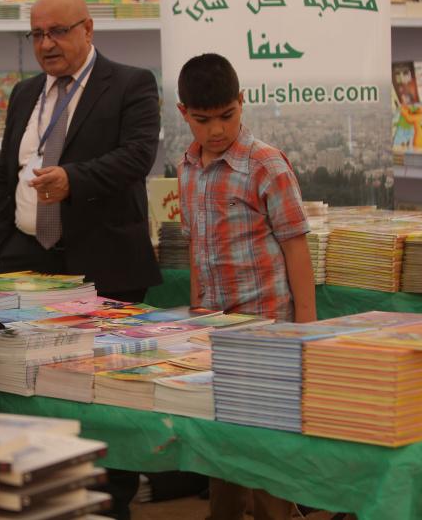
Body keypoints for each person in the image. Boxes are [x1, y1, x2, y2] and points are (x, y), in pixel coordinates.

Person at [176, 53, 316, 520]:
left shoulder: (266, 165)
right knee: (223, 449)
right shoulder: (187, 168)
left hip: (268, 330)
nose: (217, 130)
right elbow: (196, 249)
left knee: (268, 455)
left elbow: (296, 248)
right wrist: (196, 317)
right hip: (216, 333)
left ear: (242, 101)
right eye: (203, 120)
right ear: (183, 113)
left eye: (227, 115)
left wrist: (306, 329)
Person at [0, 0, 161, 304]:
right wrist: (5, 244)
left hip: (106, 269)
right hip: (27, 264)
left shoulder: (130, 84)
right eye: (37, 34)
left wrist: (72, 180)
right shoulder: (23, 93)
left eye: (58, 31)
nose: (46, 44)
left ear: (88, 29)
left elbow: (137, 157)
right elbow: (4, 175)